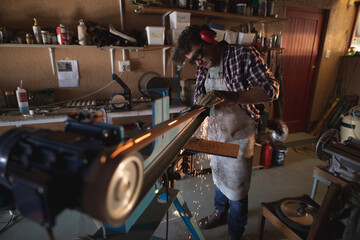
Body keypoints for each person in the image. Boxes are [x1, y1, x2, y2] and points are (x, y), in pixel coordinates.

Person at [173, 25, 279, 240]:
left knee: (237, 188)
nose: (198, 63)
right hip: (216, 133)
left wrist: (232, 96)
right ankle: (220, 212)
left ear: (210, 39)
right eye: (193, 61)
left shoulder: (244, 55)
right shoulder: (203, 67)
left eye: (198, 55)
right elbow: (199, 99)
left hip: (239, 135)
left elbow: (271, 89)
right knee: (219, 178)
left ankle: (235, 232)